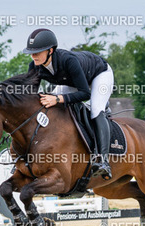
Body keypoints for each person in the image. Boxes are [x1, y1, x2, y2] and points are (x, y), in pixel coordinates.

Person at [23, 28, 113, 180]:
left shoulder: (68, 61)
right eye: (31, 52)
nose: (33, 56)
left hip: (99, 74)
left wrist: (57, 99)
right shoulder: (35, 66)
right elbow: (31, 96)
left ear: (50, 51)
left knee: (96, 109)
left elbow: (85, 93)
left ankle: (104, 161)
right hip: (70, 82)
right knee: (50, 104)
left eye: (37, 52)